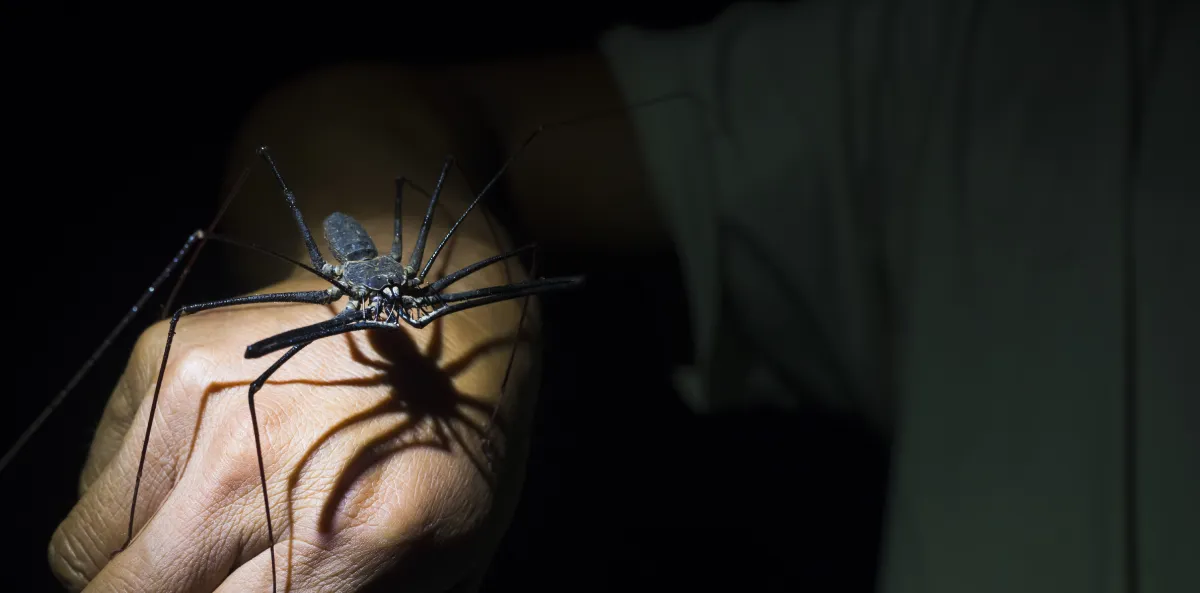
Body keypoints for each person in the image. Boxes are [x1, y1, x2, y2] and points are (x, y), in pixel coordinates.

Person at [48, 0, 1197, 591]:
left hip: (404, 288)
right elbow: (357, 110)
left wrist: (503, 306)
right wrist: (465, 288)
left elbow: (488, 208)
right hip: (360, 264)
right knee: (246, 364)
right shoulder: (1019, 66)